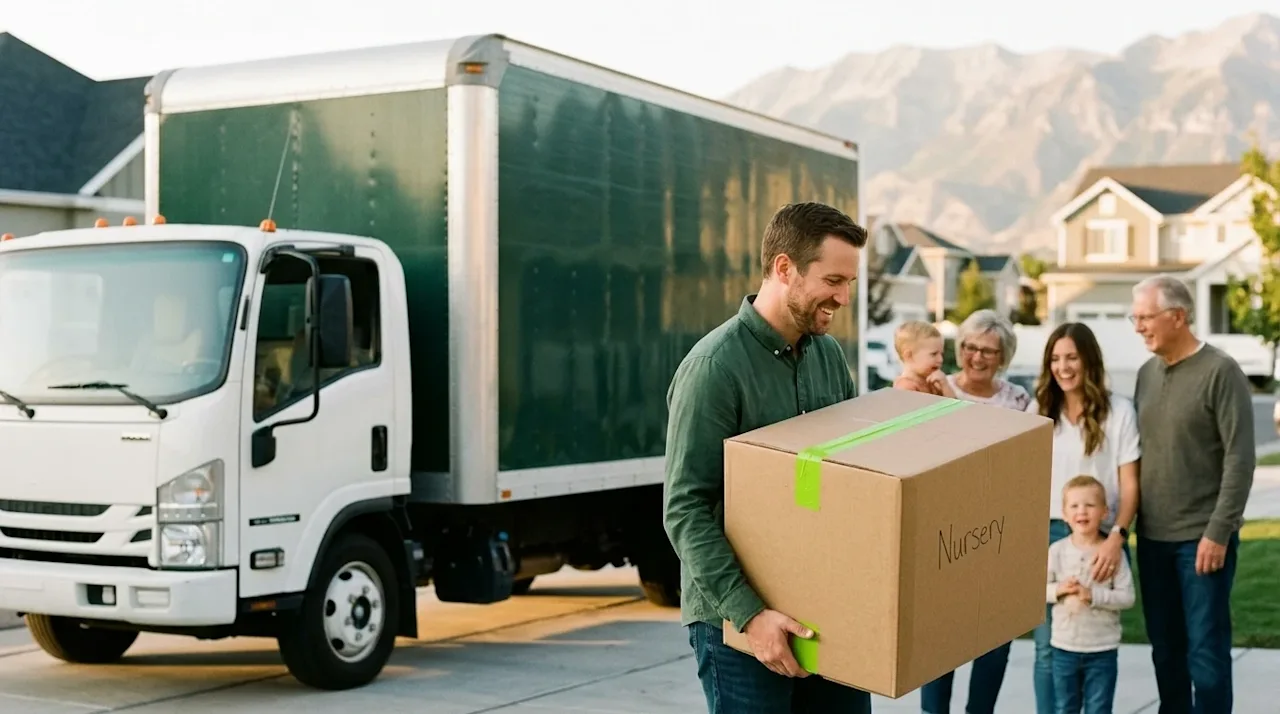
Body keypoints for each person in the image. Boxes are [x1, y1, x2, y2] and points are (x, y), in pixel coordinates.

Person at [663, 202, 871, 713]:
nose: (844, 297)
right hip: (737, 622)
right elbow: (686, 508)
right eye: (834, 280)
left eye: (850, 283)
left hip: (823, 613)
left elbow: (843, 481)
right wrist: (752, 616)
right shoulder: (715, 367)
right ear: (784, 268)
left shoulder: (829, 356)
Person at [1130, 275, 1254, 713]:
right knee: (1166, 652)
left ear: (1177, 316)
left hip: (1201, 541)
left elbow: (1240, 459)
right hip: (1152, 539)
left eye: (1145, 317)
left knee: (1206, 655)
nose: (1138, 326)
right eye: (1135, 317)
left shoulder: (1221, 371)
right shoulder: (1146, 374)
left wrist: (1218, 532)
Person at [919, 308, 1031, 714]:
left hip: (994, 533)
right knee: (937, 644)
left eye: (988, 350)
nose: (976, 356)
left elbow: (1004, 461)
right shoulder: (933, 387)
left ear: (1003, 357)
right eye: (969, 346)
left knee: (993, 637)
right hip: (940, 532)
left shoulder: (1017, 399)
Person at [1027, 322, 1141, 714]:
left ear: (1088, 360)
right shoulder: (1039, 410)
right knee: (1047, 648)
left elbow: (1130, 485)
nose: (1063, 367)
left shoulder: (1119, 411)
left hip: (1101, 537)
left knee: (1095, 638)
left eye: (1071, 357)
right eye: (1055, 359)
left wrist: (1117, 538)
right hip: (1047, 536)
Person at [1045, 474, 1136, 714]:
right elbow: (1036, 591)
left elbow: (1127, 597)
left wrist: (1093, 596)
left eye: (1090, 505)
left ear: (1105, 512)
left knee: (1099, 708)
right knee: (1065, 707)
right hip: (1064, 648)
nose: (1082, 511)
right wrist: (1059, 590)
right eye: (1074, 506)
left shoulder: (1113, 554)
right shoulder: (1057, 551)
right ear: (1064, 514)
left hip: (1102, 650)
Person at [891, 320, 957, 397]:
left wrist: (945, 386)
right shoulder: (905, 387)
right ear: (909, 356)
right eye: (934, 354)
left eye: (941, 354)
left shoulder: (934, 383)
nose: (940, 359)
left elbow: (956, 406)